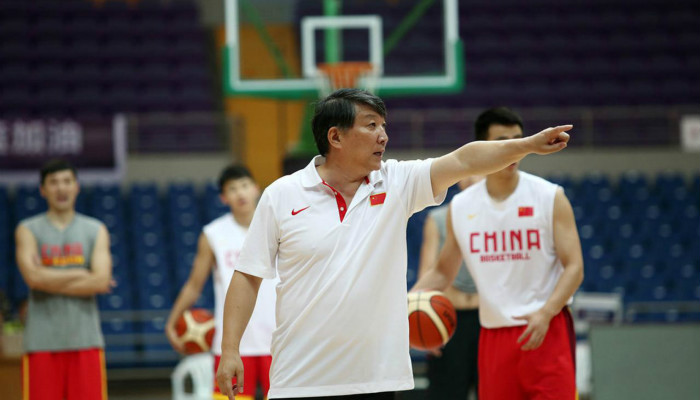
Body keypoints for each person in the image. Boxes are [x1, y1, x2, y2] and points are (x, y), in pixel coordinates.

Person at [216, 89, 571, 400]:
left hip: (377, 378)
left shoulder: (397, 182)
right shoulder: (281, 194)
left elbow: (464, 159)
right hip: (299, 379)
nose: (383, 136)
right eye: (371, 125)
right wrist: (230, 349)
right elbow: (248, 275)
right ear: (335, 136)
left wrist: (527, 146)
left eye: (383, 126)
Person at [413, 107, 583, 400]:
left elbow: (575, 267)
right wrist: (408, 306)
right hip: (493, 335)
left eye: (518, 139)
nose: (514, 148)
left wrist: (546, 312)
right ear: (484, 148)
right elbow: (442, 272)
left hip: (546, 326)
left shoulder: (550, 196)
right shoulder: (461, 207)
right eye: (503, 142)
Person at [165, 165, 276, 400]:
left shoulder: (277, 225)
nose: (240, 193)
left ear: (256, 189)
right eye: (232, 189)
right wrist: (172, 322)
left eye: (244, 185)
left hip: (278, 340)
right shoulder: (213, 234)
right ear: (224, 198)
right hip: (232, 344)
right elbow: (194, 285)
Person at [15, 159, 112, 400]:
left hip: (86, 341)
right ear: (43, 189)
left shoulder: (95, 229)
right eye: (54, 182)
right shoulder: (27, 229)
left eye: (67, 181)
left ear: (76, 186)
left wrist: (46, 276)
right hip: (41, 342)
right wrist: (80, 273)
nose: (61, 188)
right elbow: (32, 279)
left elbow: (101, 281)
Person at [418, 175, 482, 400]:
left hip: (489, 320)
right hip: (448, 322)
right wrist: (425, 329)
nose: (472, 178)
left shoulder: (501, 215)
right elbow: (428, 272)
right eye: (468, 171)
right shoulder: (437, 218)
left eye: (480, 170)